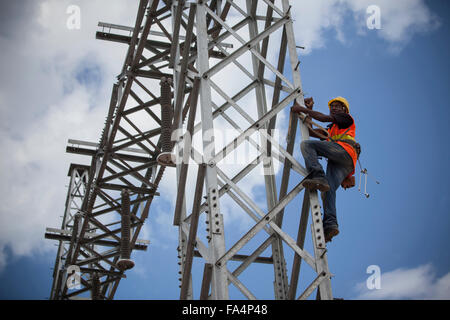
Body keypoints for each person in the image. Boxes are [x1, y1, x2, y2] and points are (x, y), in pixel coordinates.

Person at [291, 96, 358, 243]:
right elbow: (310, 131)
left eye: (337, 106)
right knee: (328, 189)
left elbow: (323, 118)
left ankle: (318, 175)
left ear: (344, 109)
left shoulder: (344, 118)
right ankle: (330, 225)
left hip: (344, 151)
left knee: (307, 145)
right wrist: (308, 111)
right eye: (332, 106)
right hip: (344, 161)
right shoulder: (332, 129)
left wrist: (300, 108)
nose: (334, 108)